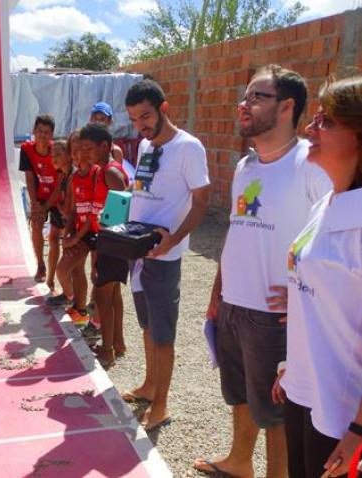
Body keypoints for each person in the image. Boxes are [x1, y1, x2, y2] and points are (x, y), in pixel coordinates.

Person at [195, 65, 331, 478]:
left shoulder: (313, 164)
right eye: (245, 96)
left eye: (257, 97)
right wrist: (218, 293)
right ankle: (239, 463)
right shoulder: (246, 166)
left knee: (276, 411)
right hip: (235, 305)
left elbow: (332, 241)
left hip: (274, 315)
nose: (243, 105)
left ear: (287, 106)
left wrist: (307, 293)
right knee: (240, 395)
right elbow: (237, 234)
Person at [271, 75, 362, 478]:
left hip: (342, 409)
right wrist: (294, 366)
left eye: (326, 122)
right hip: (305, 389)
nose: (310, 129)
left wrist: (359, 429)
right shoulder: (326, 201)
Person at [124, 79, 210, 430]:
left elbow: (202, 201)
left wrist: (173, 240)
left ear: (164, 108)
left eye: (145, 116)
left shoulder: (189, 148)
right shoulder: (145, 145)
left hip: (164, 256)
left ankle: (160, 406)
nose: (140, 125)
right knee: (147, 325)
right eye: (133, 119)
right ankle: (149, 386)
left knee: (163, 334)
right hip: (137, 251)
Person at [83, 122, 129, 369]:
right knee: (113, 295)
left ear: (104, 146)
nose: (86, 154)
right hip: (113, 241)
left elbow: (125, 204)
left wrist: (107, 231)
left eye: (89, 149)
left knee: (103, 296)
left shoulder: (110, 172)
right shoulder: (108, 169)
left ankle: (107, 350)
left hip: (112, 241)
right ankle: (118, 343)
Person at [50, 130, 99, 327]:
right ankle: (79, 308)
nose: (79, 154)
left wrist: (75, 237)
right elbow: (71, 211)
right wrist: (68, 234)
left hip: (97, 233)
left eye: (83, 149)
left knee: (99, 279)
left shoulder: (97, 173)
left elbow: (94, 212)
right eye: (75, 150)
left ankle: (96, 325)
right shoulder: (73, 178)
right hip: (82, 233)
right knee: (70, 270)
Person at [19, 114, 59, 282]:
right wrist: (35, 204)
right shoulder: (26, 149)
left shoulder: (57, 150)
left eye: (46, 132)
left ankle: (52, 275)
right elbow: (29, 176)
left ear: (52, 135)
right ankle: (41, 265)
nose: (42, 134)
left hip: (58, 196)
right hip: (40, 194)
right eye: (40, 130)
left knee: (55, 237)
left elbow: (61, 181)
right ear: (34, 131)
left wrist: (47, 205)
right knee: (36, 224)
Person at [44, 139, 71, 292]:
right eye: (52, 154)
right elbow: (56, 193)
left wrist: (64, 211)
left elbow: (71, 205)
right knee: (53, 239)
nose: (53, 158)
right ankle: (50, 279)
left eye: (57, 154)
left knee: (70, 258)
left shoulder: (73, 174)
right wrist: (46, 207)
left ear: (68, 155)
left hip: (70, 217)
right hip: (61, 211)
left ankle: (70, 296)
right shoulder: (62, 174)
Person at [89, 101, 126, 166]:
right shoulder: (83, 147)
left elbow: (116, 174)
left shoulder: (115, 152)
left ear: (110, 122)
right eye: (95, 119)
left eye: (102, 119)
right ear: (91, 120)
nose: (98, 122)